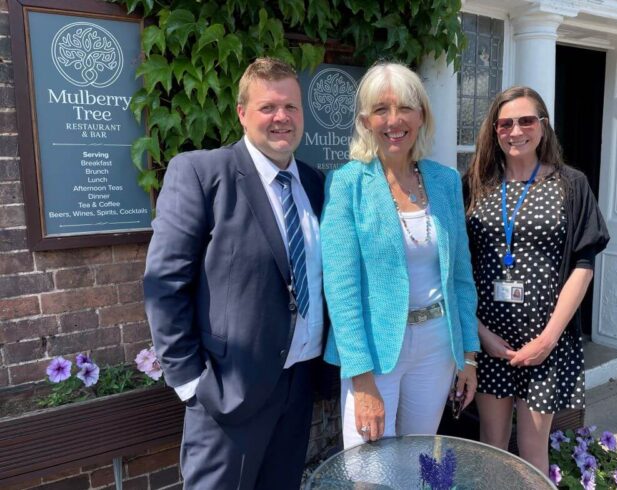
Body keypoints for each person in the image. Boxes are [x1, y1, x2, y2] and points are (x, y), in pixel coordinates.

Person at [144, 58, 327, 489]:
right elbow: (164, 283)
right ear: (242, 113)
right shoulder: (202, 174)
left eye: (291, 107)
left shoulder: (315, 183)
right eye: (268, 107)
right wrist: (190, 383)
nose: (282, 118)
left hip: (299, 385)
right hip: (229, 394)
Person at [321, 61, 480, 449]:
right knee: (367, 465)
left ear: (422, 115)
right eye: (381, 109)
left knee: (416, 457)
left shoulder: (443, 181)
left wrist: (469, 355)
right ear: (365, 120)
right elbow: (341, 290)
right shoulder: (348, 184)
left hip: (438, 346)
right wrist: (360, 376)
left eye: (405, 107)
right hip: (376, 353)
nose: (395, 120)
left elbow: (460, 276)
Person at [463, 86, 609, 472]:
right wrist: (479, 334)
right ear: (494, 131)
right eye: (505, 123)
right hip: (490, 341)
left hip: (544, 343)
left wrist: (548, 339)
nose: (516, 131)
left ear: (543, 126)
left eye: (526, 121)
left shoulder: (570, 185)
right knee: (490, 447)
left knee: (532, 454)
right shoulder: (476, 185)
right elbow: (457, 267)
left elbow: (583, 264)